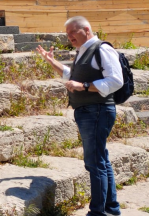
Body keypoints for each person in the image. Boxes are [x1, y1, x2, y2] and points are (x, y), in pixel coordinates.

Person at [36, 16, 123, 216]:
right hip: (89, 112)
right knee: (100, 159)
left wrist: (83, 86)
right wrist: (51, 61)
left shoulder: (102, 49)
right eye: (67, 34)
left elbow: (116, 80)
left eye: (72, 32)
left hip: (97, 111)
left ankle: (98, 212)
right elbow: (72, 76)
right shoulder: (83, 51)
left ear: (86, 29)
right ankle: (111, 208)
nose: (69, 37)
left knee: (94, 162)